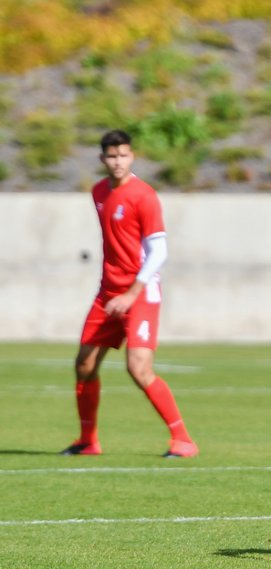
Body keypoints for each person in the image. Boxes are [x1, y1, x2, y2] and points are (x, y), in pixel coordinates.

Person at [60, 129, 198, 459]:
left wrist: (132, 292)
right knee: (84, 365)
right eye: (111, 156)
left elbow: (159, 251)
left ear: (132, 156)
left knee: (138, 368)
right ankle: (87, 441)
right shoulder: (98, 192)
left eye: (123, 155)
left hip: (140, 292)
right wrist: (114, 290)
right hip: (107, 292)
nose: (117, 161)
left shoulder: (144, 195)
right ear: (102, 158)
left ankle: (183, 441)